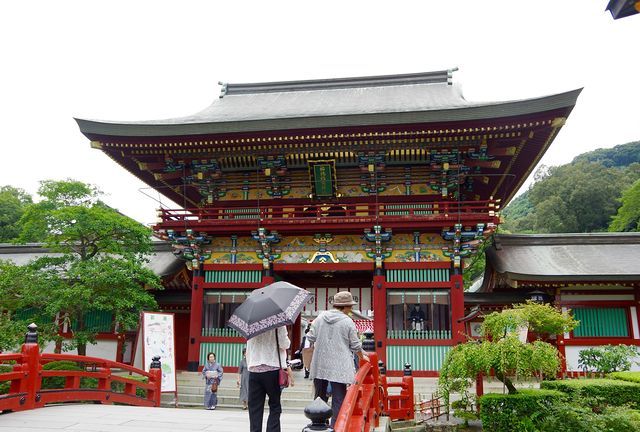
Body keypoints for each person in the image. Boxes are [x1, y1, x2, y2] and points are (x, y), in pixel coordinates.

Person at [307, 291, 369, 428]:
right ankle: (336, 427)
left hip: (320, 363)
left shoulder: (320, 317)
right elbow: (355, 345)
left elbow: (310, 337)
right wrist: (361, 356)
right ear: (346, 307)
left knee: (319, 397)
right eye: (350, 307)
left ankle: (319, 426)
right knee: (339, 399)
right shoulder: (347, 322)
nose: (351, 310)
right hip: (339, 365)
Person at [246, 325, 294, 432]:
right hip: (272, 367)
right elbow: (284, 344)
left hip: (254, 368)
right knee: (275, 405)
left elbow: (248, 347)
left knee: (255, 408)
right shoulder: (278, 323)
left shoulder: (252, 323)